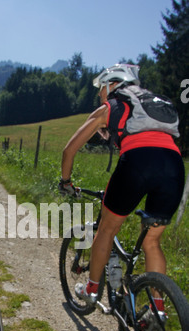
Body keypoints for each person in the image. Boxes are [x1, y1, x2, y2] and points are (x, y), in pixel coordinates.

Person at [59, 64, 185, 309]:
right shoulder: (153, 102)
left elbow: (69, 149)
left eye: (101, 90)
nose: (100, 96)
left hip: (138, 162)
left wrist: (66, 181)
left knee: (106, 229)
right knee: (152, 241)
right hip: (174, 164)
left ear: (111, 85)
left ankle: (91, 289)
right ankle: (156, 312)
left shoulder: (110, 106)